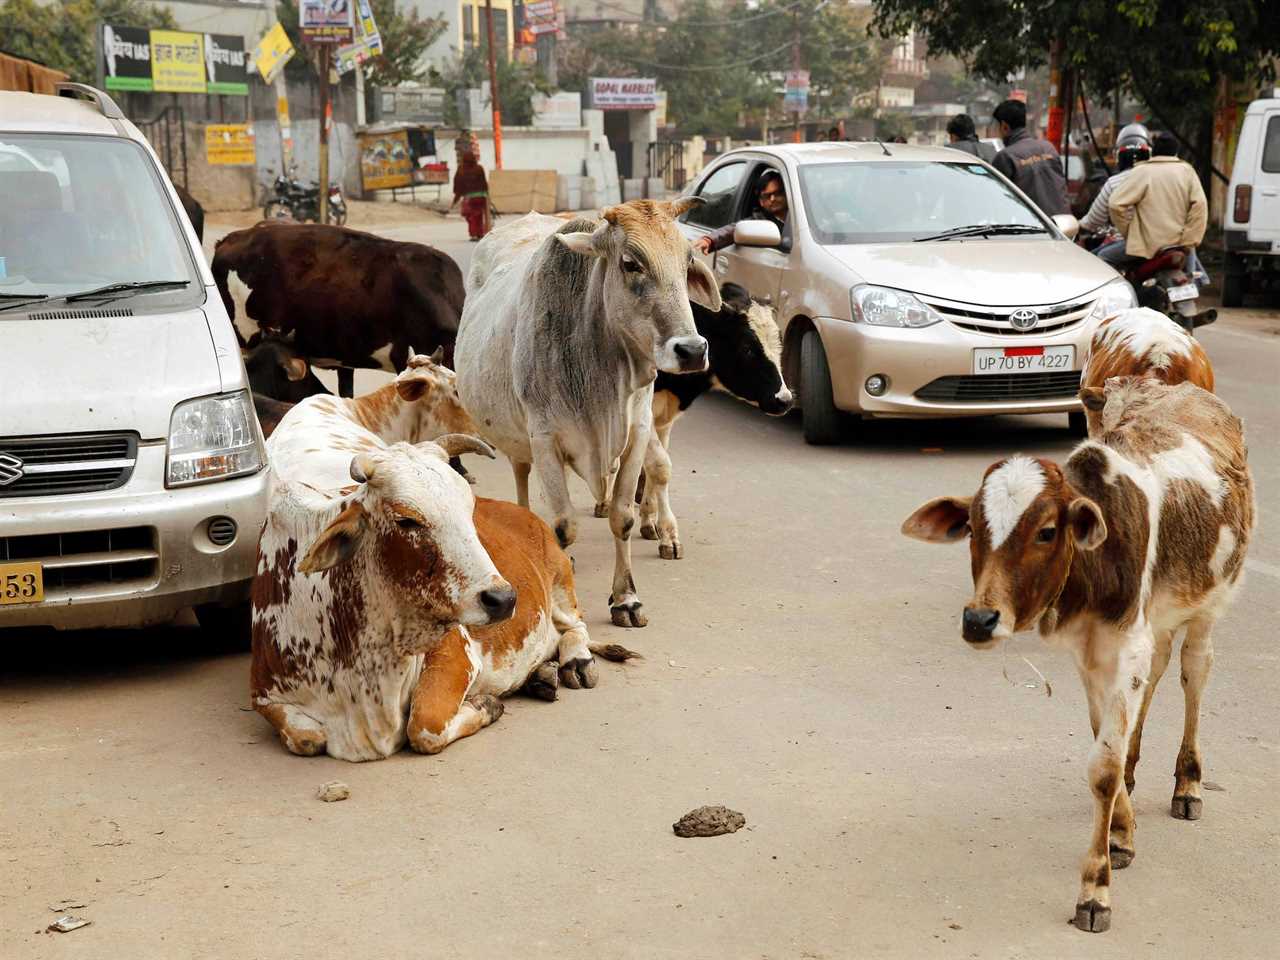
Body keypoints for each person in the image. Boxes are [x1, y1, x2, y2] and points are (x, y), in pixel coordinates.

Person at [1107, 130, 1208, 270]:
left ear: (1153, 152)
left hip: (1146, 247)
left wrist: (1130, 233)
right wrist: (1189, 240)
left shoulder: (1142, 171)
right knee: (1193, 278)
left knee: (1103, 256)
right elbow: (1200, 206)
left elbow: (1115, 204)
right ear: (1175, 153)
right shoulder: (1187, 171)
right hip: (1180, 245)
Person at [1080, 123, 1151, 263]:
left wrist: (1079, 225)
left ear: (1119, 155)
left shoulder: (1114, 183)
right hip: (1165, 240)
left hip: (1132, 244)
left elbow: (1094, 220)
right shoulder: (1159, 177)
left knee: (1096, 262)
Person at [991, 99, 1070, 216]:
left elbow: (997, 202)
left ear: (1004, 127)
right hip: (1063, 225)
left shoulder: (1005, 157)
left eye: (997, 127)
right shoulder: (1048, 148)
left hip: (1031, 229)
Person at [695, 170, 787, 254]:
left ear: (786, 193)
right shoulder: (759, 220)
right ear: (761, 201)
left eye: (777, 193)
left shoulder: (799, 215)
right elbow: (733, 229)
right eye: (767, 196)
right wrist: (709, 240)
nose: (772, 199)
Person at [450, 146, 490, 241]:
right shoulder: (479, 168)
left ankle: (473, 234)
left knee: (470, 217)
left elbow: (458, 185)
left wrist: (455, 200)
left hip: (469, 198)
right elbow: (484, 183)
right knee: (479, 216)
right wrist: (486, 195)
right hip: (481, 197)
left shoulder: (461, 170)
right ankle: (480, 233)